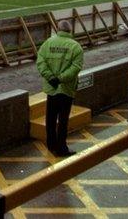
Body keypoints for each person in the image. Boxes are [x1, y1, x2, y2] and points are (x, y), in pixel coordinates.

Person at [36, 19, 84, 157]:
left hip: (51, 88)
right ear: (70, 31)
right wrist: (60, 78)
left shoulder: (48, 43)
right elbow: (75, 68)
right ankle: (62, 147)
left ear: (58, 29)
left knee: (50, 118)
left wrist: (51, 78)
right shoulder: (76, 46)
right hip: (66, 88)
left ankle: (51, 145)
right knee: (63, 120)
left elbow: (40, 62)